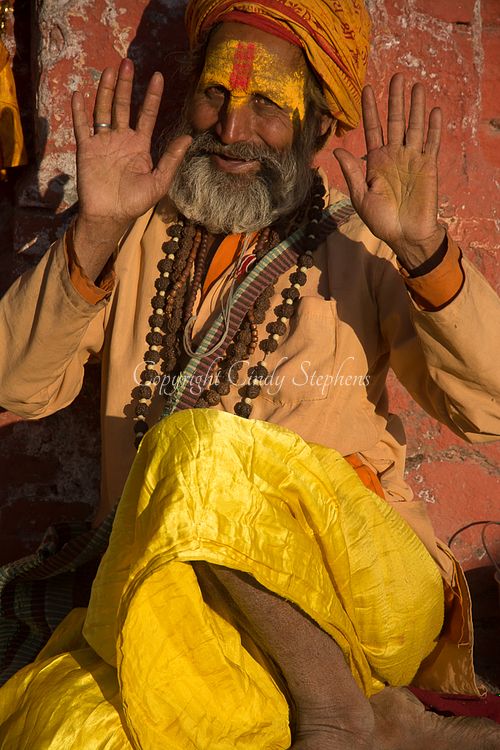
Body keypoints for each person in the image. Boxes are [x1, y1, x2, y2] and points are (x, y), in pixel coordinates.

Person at [0, 0, 499, 747]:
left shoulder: (370, 245)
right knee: (62, 727)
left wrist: (426, 253)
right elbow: (12, 384)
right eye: (216, 96)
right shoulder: (135, 233)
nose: (232, 131)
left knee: (196, 449)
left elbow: (492, 409)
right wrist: (96, 232)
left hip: (360, 587)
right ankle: (382, 720)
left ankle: (337, 715)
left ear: (321, 126)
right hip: (194, 609)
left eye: (267, 103)